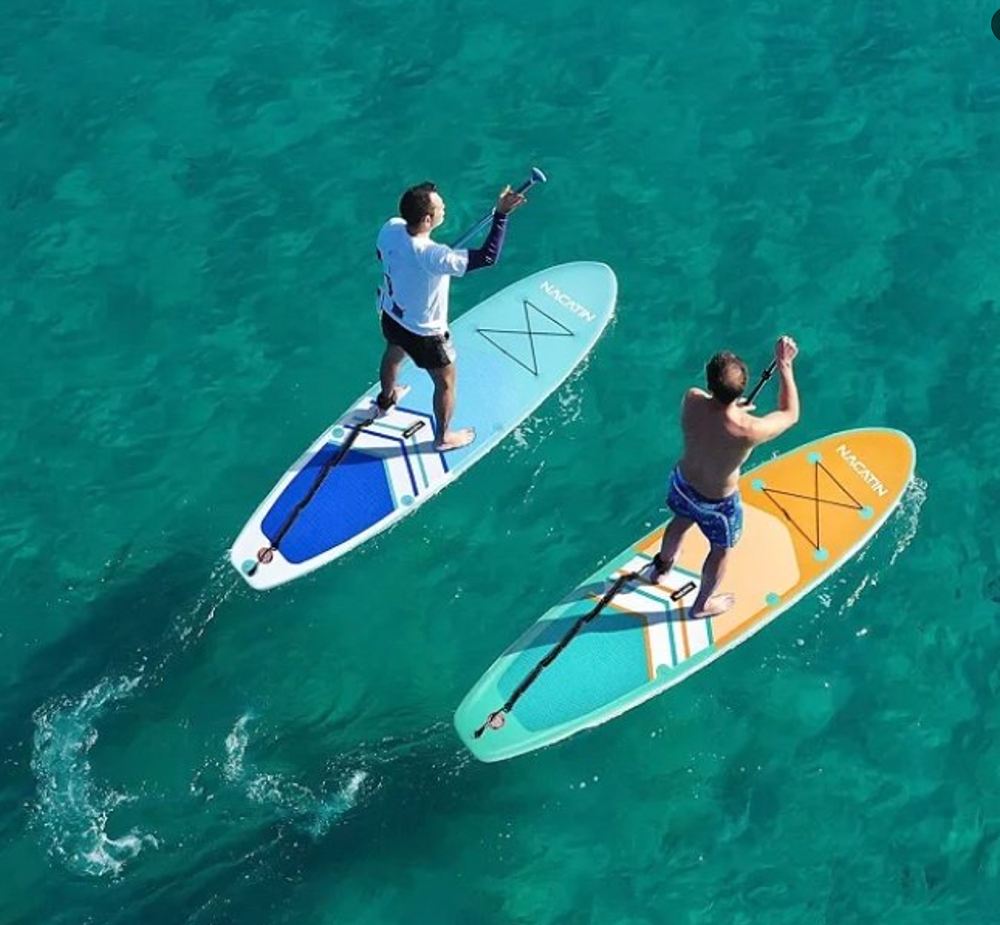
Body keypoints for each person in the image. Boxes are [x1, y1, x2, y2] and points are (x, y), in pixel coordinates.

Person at [647, 336, 801, 618]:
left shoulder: (692, 399)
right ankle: (702, 605)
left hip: (682, 484)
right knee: (720, 550)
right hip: (717, 506)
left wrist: (729, 407)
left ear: (709, 383)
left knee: (680, 521)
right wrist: (784, 365)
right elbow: (789, 414)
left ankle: (661, 568)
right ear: (740, 389)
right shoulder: (749, 430)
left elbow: (714, 414)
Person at [373, 181, 527, 450]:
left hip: (391, 315)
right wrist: (501, 215)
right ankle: (443, 438)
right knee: (446, 383)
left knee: (393, 353)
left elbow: (381, 254)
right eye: (440, 207)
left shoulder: (391, 228)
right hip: (425, 335)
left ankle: (386, 400)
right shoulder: (435, 256)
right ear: (427, 219)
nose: (444, 208)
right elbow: (488, 257)